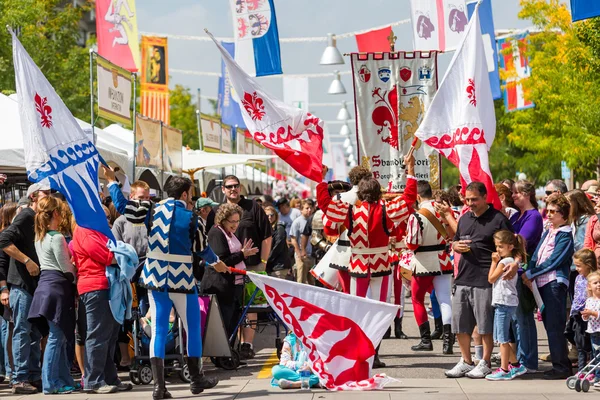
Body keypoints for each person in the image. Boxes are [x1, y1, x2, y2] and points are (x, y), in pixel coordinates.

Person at [131, 176, 225, 399]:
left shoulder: (152, 210)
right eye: (190, 193)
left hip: (154, 278)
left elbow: (128, 212)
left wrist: (114, 185)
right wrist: (216, 263)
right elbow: (202, 249)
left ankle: (159, 387)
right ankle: (196, 379)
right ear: (184, 194)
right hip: (181, 279)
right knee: (192, 327)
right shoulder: (193, 218)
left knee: (158, 330)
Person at [323, 154, 417, 368]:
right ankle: (374, 353)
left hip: (357, 264)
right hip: (382, 264)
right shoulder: (387, 209)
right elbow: (409, 198)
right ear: (378, 192)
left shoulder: (350, 211)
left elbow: (326, 207)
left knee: (357, 309)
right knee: (380, 309)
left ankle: (359, 352)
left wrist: (321, 181)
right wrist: (409, 172)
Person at [446, 182, 515, 379]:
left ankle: (485, 361)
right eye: (467, 200)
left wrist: (514, 263)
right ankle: (466, 361)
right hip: (463, 277)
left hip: (486, 278)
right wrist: (455, 245)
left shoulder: (498, 219)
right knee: (460, 323)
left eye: (474, 199)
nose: (470, 203)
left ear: (485, 197)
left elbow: (513, 244)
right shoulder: (465, 218)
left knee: (485, 325)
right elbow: (456, 239)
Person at [0, 183, 50, 394]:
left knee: (34, 332)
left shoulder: (38, 218)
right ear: (33, 196)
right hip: (21, 285)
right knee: (22, 330)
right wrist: (27, 260)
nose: (49, 196)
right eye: (45, 193)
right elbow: (3, 239)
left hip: (34, 285)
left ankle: (32, 375)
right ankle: (19, 379)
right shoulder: (27, 215)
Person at [27, 197, 77, 394]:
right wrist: (75, 270)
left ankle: (63, 380)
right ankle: (50, 384)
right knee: (57, 337)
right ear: (56, 213)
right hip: (57, 288)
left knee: (58, 336)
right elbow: (66, 269)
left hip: (45, 288)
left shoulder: (39, 237)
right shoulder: (57, 238)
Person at [220, 175, 272, 359]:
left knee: (251, 306)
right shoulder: (219, 210)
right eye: (229, 186)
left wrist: (263, 263)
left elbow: (267, 236)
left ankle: (246, 345)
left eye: (236, 186)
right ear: (223, 189)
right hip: (228, 267)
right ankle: (228, 344)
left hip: (252, 266)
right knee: (231, 306)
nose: (233, 189)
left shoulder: (253, 207)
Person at [523, 193, 574, 380]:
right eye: (548, 211)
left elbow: (555, 260)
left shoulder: (565, 234)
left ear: (564, 215)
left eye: (554, 212)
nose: (550, 215)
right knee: (549, 326)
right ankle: (560, 364)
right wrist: (530, 270)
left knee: (555, 327)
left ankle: (561, 367)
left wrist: (532, 273)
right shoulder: (549, 231)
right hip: (541, 284)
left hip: (554, 284)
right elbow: (537, 254)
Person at [406, 181, 454, 354]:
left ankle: (426, 340)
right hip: (443, 259)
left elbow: (412, 243)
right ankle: (448, 344)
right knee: (445, 300)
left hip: (424, 262)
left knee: (417, 299)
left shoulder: (416, 216)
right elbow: (452, 234)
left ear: (418, 196)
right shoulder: (443, 210)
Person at [111, 180, 152, 367]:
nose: (145, 201)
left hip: (148, 270)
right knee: (125, 315)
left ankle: (148, 352)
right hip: (126, 272)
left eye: (147, 198)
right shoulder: (120, 221)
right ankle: (125, 357)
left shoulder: (150, 218)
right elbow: (115, 247)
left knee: (146, 311)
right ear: (131, 197)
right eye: (141, 198)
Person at [203, 203, 258, 337]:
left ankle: (230, 354)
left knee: (233, 323)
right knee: (224, 324)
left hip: (233, 286)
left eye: (237, 221)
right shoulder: (216, 232)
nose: (235, 224)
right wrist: (242, 254)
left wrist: (244, 254)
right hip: (220, 286)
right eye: (232, 221)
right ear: (222, 220)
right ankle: (223, 356)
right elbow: (222, 261)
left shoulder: (230, 233)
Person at [509, 180, 543, 372]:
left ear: (527, 194)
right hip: (512, 273)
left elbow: (521, 241)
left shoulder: (533, 216)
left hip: (522, 272)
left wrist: (507, 239)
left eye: (517, 193)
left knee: (523, 318)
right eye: (513, 193)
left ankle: (528, 361)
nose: (514, 196)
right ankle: (520, 358)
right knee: (515, 320)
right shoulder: (516, 216)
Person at [485, 231, 527, 381]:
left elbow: (491, 278)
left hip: (504, 302)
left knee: (502, 338)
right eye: (496, 247)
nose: (497, 250)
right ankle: (515, 365)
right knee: (500, 336)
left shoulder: (504, 261)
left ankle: (504, 369)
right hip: (504, 301)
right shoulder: (510, 259)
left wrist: (494, 262)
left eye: (500, 247)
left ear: (510, 246)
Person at [565, 249, 596, 373]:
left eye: (579, 266)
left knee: (592, 345)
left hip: (590, 315)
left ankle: (593, 371)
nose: (577, 268)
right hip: (578, 315)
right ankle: (581, 371)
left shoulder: (594, 278)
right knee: (580, 345)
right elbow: (576, 296)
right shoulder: (578, 278)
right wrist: (573, 312)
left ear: (588, 265)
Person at [565, 190, 595, 300]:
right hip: (573, 268)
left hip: (583, 268)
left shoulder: (586, 221)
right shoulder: (573, 221)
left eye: (568, 204)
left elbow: (584, 246)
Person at [0, 202, 17, 385]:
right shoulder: (5, 237)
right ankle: (9, 370)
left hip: (10, 288)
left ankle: (8, 370)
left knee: (8, 329)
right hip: (8, 288)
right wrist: (3, 289)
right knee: (8, 330)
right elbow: (1, 266)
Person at [582, 271, 600, 388]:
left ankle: (598, 377)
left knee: (599, 356)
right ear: (589, 286)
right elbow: (586, 318)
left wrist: (592, 313)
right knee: (595, 355)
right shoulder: (589, 301)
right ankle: (596, 375)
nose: (598, 285)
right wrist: (585, 316)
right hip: (593, 331)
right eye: (595, 283)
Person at [264, 206, 292, 279]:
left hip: (279, 267)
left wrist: (266, 261)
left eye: (272, 215)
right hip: (271, 267)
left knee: (278, 290)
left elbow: (277, 248)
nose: (269, 217)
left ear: (275, 216)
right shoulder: (267, 229)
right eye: (267, 215)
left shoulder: (279, 229)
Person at [290, 200, 315, 284]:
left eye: (311, 208)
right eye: (307, 208)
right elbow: (293, 240)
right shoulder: (297, 222)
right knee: (301, 281)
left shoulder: (313, 220)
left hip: (311, 255)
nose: (309, 210)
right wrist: (299, 252)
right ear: (301, 209)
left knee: (312, 281)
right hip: (301, 257)